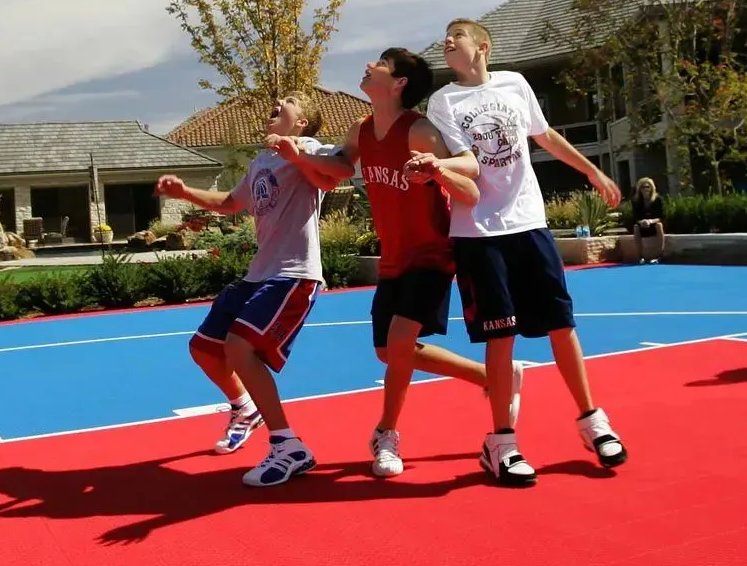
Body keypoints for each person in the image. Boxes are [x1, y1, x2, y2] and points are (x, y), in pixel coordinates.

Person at [410, 18, 628, 486]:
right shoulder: (444, 100)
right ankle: (502, 442)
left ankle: (593, 422)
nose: (447, 42)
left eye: (457, 36)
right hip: (479, 234)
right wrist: (440, 164)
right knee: (500, 336)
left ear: (482, 46)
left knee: (561, 325)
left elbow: (545, 136)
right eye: (444, 37)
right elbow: (467, 159)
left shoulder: (515, 83)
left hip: (529, 223)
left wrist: (592, 171)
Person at [283, 47, 518, 479]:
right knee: (388, 351)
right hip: (393, 258)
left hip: (431, 252)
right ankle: (489, 377)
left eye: (379, 63)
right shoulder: (362, 129)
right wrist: (299, 156)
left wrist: (436, 169)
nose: (368, 65)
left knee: (400, 339)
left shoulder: (420, 131)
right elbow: (337, 167)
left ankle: (386, 433)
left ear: (398, 83)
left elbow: (469, 181)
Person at [154, 92, 338, 487]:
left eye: (289, 101)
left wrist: (297, 154)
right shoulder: (261, 161)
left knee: (239, 347)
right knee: (204, 348)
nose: (279, 102)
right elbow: (230, 201)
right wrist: (185, 192)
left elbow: (336, 174)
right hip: (259, 273)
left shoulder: (308, 148)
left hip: (293, 274)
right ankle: (244, 408)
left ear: (302, 121)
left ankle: (288, 446)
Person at [628, 177, 666, 263]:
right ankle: (641, 257)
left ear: (651, 188)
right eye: (643, 187)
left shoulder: (658, 199)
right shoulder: (636, 201)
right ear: (639, 189)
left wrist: (651, 221)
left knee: (659, 225)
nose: (645, 189)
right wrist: (642, 222)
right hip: (642, 225)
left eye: (647, 187)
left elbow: (661, 216)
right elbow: (635, 217)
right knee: (635, 227)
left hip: (654, 224)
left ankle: (659, 256)